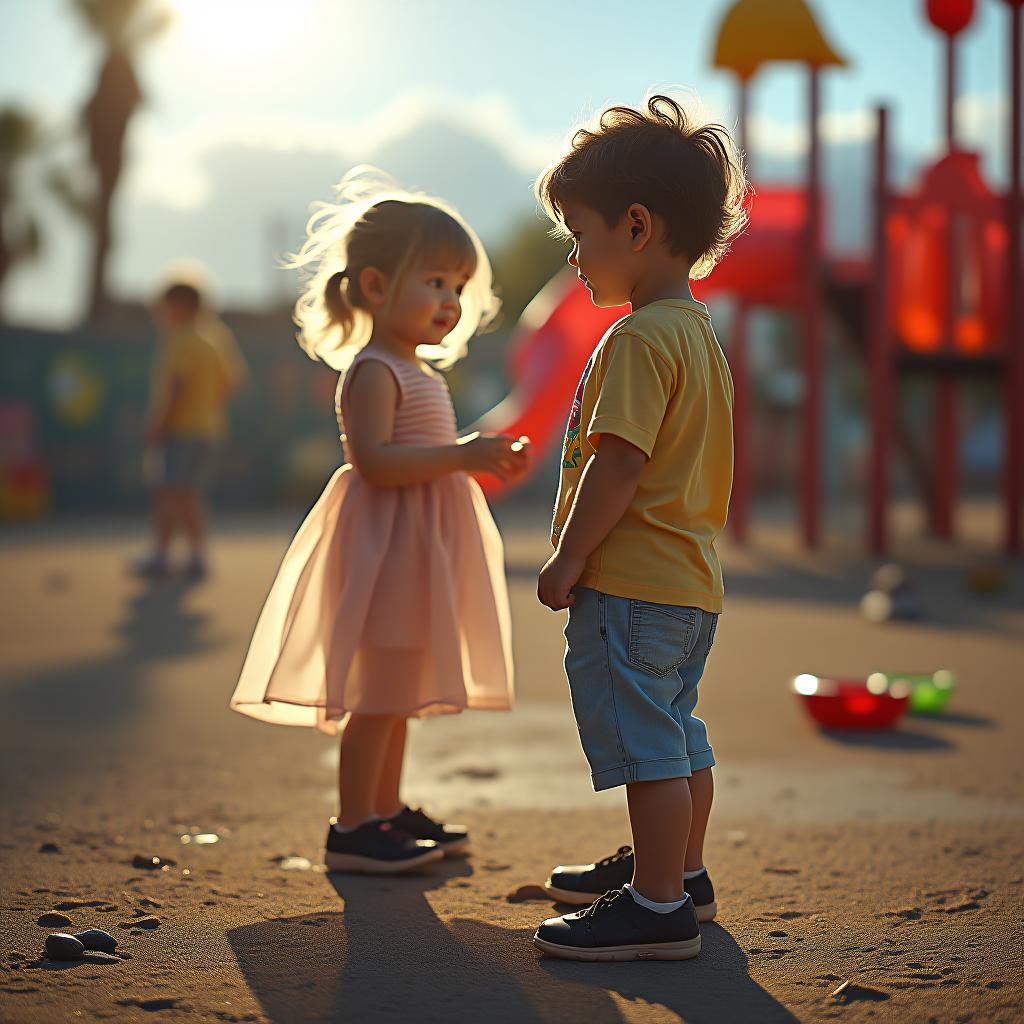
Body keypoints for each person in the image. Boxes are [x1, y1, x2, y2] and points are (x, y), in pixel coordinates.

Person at [231, 168, 529, 873]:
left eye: (458, 287)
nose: (451, 301)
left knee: (399, 690)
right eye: (435, 283)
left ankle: (387, 810)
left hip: (417, 548)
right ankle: (354, 824)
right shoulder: (373, 370)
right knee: (377, 694)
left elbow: (423, 458)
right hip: (386, 550)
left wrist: (475, 459)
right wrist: (463, 457)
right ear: (374, 287)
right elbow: (374, 462)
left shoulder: (419, 369)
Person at [531, 95, 747, 960]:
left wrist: (569, 553)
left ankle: (657, 908)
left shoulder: (636, 340)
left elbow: (617, 463)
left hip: (631, 584)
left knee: (648, 745)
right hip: (689, 587)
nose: (577, 259)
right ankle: (680, 872)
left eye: (579, 236)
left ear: (637, 225)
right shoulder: (699, 335)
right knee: (679, 735)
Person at [136, 276, 246, 579]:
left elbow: (176, 387)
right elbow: (231, 382)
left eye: (165, 307)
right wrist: (207, 407)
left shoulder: (180, 339)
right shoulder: (214, 339)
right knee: (185, 493)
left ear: (180, 307)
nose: (161, 313)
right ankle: (180, 554)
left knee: (173, 493)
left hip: (181, 430)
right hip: (208, 430)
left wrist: (159, 423)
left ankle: (173, 556)